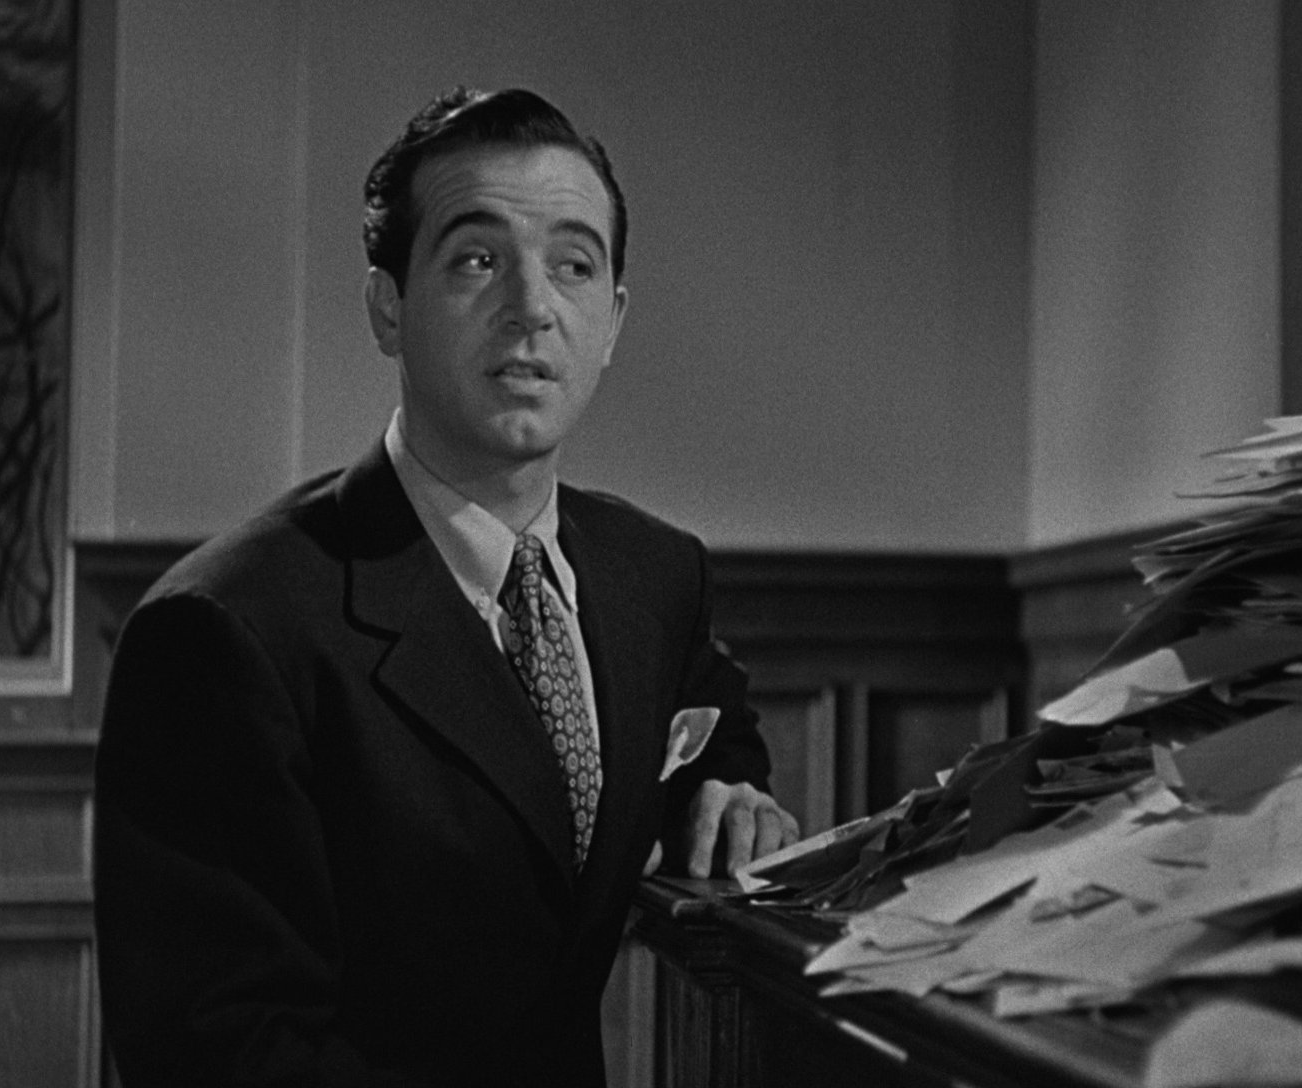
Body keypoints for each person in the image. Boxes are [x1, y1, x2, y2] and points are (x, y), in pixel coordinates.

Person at [93, 85, 799, 1088]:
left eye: (574, 265)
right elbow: (220, 1052)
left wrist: (731, 791)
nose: (532, 307)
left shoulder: (653, 572)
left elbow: (712, 727)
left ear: (611, 321)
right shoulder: (223, 631)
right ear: (387, 307)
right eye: (476, 260)